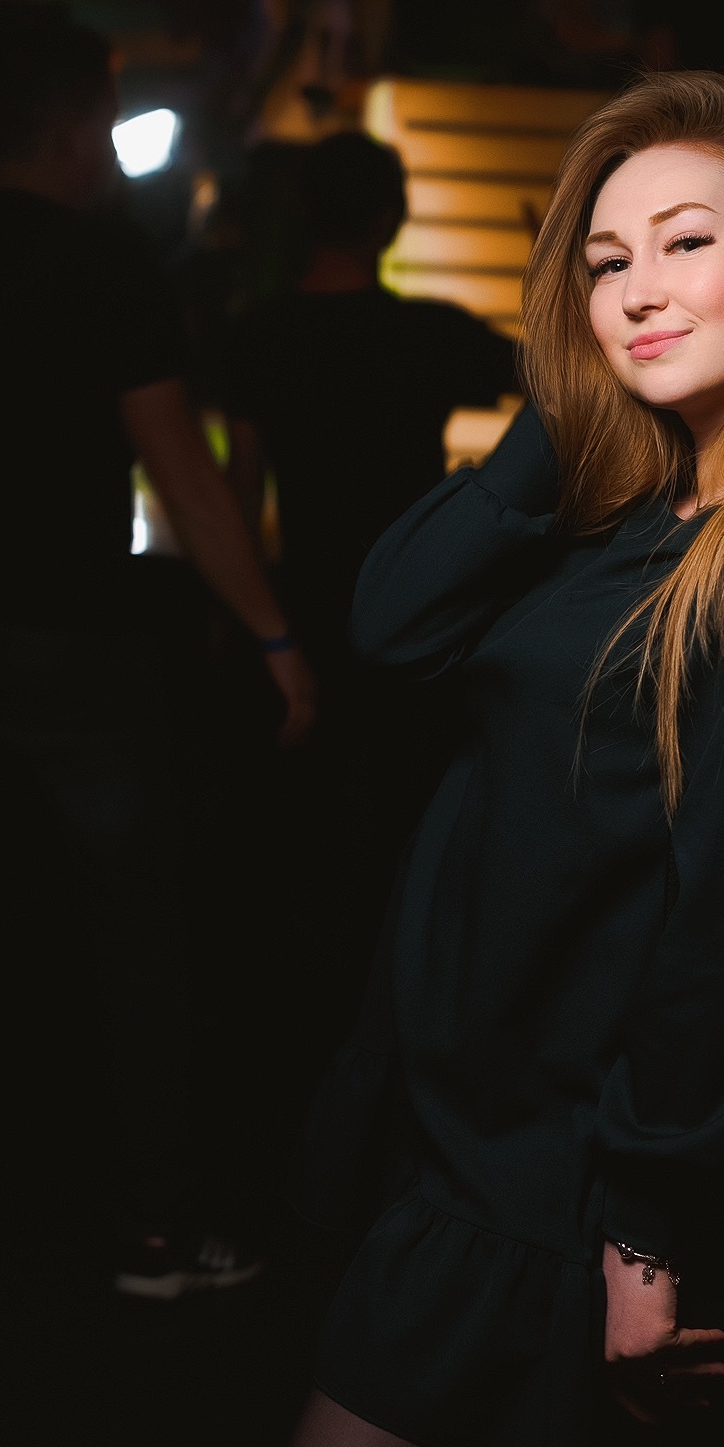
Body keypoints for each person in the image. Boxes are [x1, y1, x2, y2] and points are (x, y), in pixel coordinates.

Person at [226, 71, 724, 1447]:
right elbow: (392, 622)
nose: (638, 286)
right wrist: (557, 409)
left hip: (544, 1182)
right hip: (454, 1124)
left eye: (684, 240)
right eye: (602, 261)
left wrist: (640, 1232)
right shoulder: (637, 503)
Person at [0, 8, 317, 1296]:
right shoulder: (106, 266)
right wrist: (275, 638)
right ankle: (154, 1227)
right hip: (75, 644)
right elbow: (186, 477)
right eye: (105, 123)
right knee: (137, 936)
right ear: (71, 128)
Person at [220, 130, 516, 1058]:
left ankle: (291, 1038)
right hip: (419, 612)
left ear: (304, 211)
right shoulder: (429, 334)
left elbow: (241, 494)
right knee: (407, 834)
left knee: (298, 835)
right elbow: (550, 387)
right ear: (391, 218)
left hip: (302, 606)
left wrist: (247, 621)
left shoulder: (256, 335)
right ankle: (397, 1030)